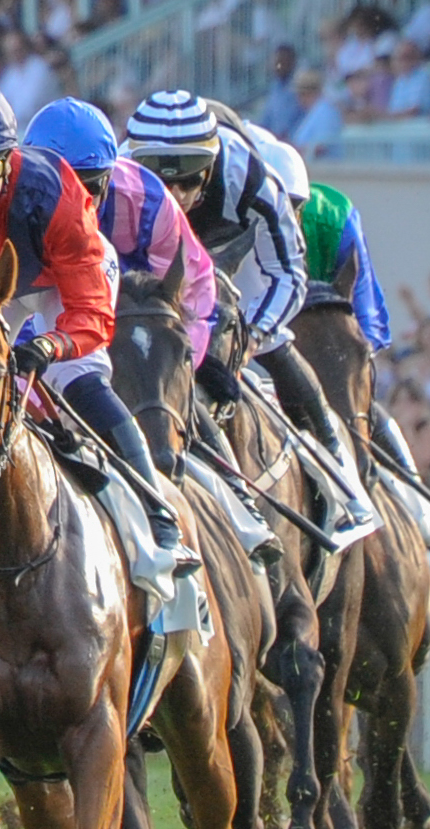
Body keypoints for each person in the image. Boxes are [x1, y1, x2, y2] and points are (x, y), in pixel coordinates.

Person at [0, 78, 190, 597]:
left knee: (79, 380)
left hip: (55, 281)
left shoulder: (55, 192)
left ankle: (159, 519)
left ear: (9, 158)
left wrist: (51, 346)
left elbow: (90, 308)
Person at [23, 97, 283, 568]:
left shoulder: (146, 198)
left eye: (92, 186)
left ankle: (240, 508)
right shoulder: (13, 206)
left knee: (169, 392)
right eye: (64, 188)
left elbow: (198, 287)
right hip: (61, 305)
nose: (81, 201)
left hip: (137, 304)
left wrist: (191, 362)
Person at [122, 89, 380, 543]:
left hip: (230, 247)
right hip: (150, 253)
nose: (177, 194)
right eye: (163, 181)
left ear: (213, 161)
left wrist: (255, 336)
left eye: (189, 180)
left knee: (269, 340)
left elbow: (287, 274)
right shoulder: (116, 177)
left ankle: (342, 476)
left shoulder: (249, 175)